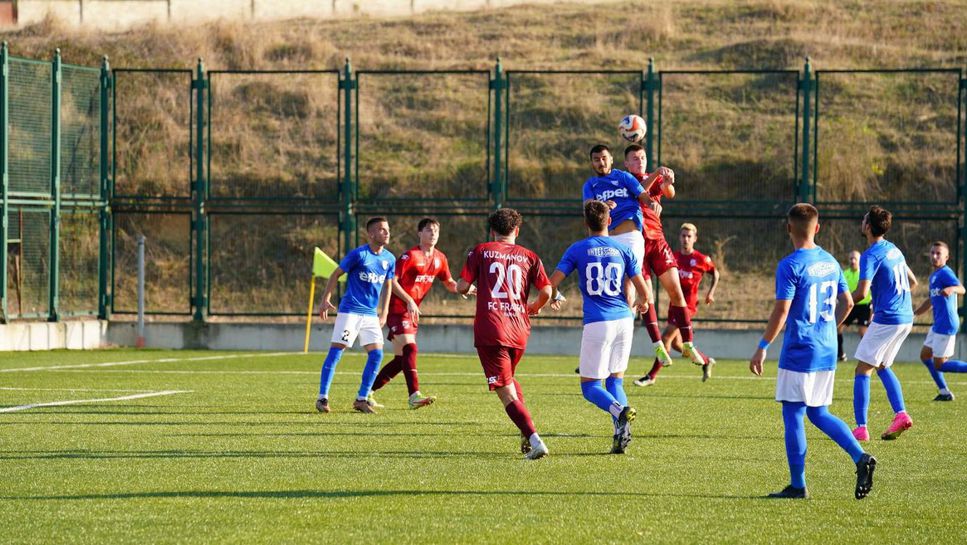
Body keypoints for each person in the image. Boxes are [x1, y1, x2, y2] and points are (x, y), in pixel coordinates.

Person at [750, 203, 876, 500]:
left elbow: (781, 312)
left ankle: (798, 485)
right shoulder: (831, 262)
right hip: (826, 347)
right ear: (817, 228)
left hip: (800, 350)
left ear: (788, 228)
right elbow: (847, 302)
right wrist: (829, 329)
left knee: (793, 414)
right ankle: (860, 457)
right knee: (819, 412)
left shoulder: (790, 265)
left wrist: (762, 347)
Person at [548, 201, 650, 453]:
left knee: (590, 387)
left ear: (586, 223)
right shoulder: (623, 248)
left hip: (598, 322)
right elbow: (643, 290)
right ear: (609, 221)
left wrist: (553, 296)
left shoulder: (578, 249)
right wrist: (643, 302)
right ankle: (621, 431)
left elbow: (551, 283)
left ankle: (620, 411)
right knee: (616, 381)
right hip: (624, 320)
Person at [456, 208, 553, 459]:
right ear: (516, 231)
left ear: (492, 231)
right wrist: (535, 307)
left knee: (505, 392)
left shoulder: (480, 250)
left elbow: (462, 286)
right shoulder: (529, 256)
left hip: (492, 329)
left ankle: (535, 440)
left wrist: (471, 287)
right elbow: (547, 291)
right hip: (519, 328)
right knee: (509, 381)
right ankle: (525, 431)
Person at [582, 144, 688, 369]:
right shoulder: (590, 185)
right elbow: (588, 209)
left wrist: (651, 203)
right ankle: (614, 338)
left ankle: (622, 349)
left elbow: (642, 193)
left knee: (629, 289)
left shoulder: (623, 177)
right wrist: (602, 206)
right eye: (596, 159)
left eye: (604, 158)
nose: (600, 162)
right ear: (592, 163)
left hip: (631, 239)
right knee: (614, 292)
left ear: (611, 159)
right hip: (608, 241)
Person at [369, 218, 472, 409]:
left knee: (401, 360)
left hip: (411, 312)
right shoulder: (410, 256)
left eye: (436, 231)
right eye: (428, 230)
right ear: (419, 234)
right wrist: (408, 300)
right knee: (411, 348)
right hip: (397, 310)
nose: (433, 234)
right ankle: (414, 396)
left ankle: (366, 391)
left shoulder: (440, 258)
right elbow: (391, 281)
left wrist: (463, 288)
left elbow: (449, 282)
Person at [623, 144, 708, 372]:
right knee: (646, 296)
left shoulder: (652, 178)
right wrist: (657, 173)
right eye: (634, 158)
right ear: (626, 163)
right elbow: (638, 188)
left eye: (642, 157)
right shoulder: (623, 180)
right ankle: (659, 346)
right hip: (636, 243)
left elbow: (669, 193)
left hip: (657, 241)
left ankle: (688, 344)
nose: (640, 160)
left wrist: (668, 181)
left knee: (675, 291)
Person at [315, 217, 396, 414]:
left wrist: (384, 312)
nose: (386, 233)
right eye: (381, 230)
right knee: (337, 351)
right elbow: (336, 274)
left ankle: (361, 399)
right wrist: (325, 298)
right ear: (371, 234)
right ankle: (322, 398)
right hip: (350, 311)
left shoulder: (389, 259)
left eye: (387, 229)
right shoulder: (359, 255)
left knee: (377, 354)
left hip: (370, 315)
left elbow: (388, 285)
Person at [850, 205, 914, 441]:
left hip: (889, 318)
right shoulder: (894, 249)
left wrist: (839, 299)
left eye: (864, 218)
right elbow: (912, 280)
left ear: (868, 226)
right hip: (905, 316)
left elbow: (861, 292)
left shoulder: (871, 254)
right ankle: (901, 414)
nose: (862, 221)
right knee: (883, 366)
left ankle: (861, 427)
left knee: (862, 369)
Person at [636, 222, 720, 386]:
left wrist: (711, 293)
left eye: (689, 236)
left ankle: (652, 376)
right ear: (679, 237)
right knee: (676, 344)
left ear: (695, 238)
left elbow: (715, 273)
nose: (686, 239)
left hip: (687, 306)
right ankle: (706, 360)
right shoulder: (671, 256)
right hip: (673, 305)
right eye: (683, 236)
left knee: (666, 338)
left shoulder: (701, 259)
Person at [914, 241, 967, 401]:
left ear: (946, 257)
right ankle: (944, 392)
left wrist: (952, 289)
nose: (935, 256)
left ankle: (945, 392)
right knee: (925, 356)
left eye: (938, 253)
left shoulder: (945, 273)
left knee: (940, 365)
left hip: (946, 325)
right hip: (938, 325)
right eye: (932, 253)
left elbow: (962, 289)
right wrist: (914, 314)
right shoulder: (933, 276)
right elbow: (931, 300)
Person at [838, 250, 870, 361]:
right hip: (850, 305)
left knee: (862, 331)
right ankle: (840, 354)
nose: (852, 261)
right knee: (838, 327)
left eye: (855, 259)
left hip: (864, 306)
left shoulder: (864, 274)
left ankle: (866, 356)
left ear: (859, 261)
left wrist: (873, 309)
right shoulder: (845, 274)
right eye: (851, 258)